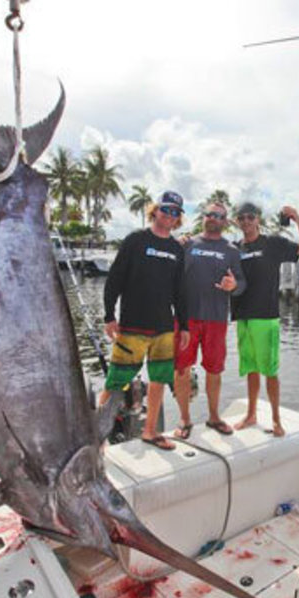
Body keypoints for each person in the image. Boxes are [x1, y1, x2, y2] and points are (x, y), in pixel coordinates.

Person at [101, 191, 189, 451]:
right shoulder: (135, 240)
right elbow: (114, 279)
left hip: (164, 328)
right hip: (132, 327)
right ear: (155, 211)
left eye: (175, 212)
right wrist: (109, 315)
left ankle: (150, 431)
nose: (170, 215)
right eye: (166, 209)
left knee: (159, 380)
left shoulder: (176, 249)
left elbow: (180, 291)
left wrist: (183, 325)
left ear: (178, 218)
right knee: (115, 381)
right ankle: (97, 436)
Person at [232, 202, 299, 436]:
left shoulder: (273, 243)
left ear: (257, 219)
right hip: (243, 317)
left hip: (266, 317)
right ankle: (251, 414)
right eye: (241, 218)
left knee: (270, 371)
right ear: (237, 221)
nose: (246, 221)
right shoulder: (235, 248)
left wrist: (297, 217)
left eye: (250, 217)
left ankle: (277, 420)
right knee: (251, 369)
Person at [173, 202, 246, 439]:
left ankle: (214, 417)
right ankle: (184, 419)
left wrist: (233, 286)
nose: (214, 218)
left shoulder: (232, 250)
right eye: (210, 214)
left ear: (225, 222)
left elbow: (242, 283)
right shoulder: (187, 244)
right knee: (182, 369)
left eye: (219, 216)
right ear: (203, 217)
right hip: (186, 319)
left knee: (214, 370)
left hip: (216, 319)